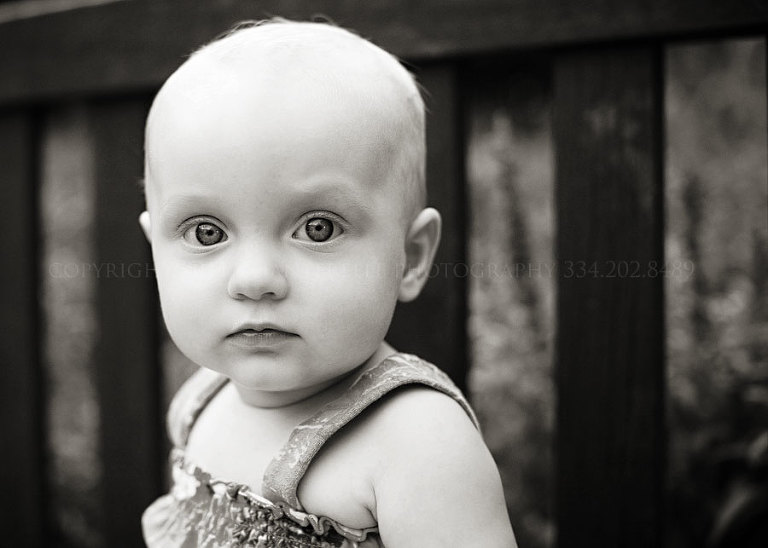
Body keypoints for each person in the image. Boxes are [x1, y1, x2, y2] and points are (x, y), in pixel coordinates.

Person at [139, 19, 516, 547]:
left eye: (317, 228)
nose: (255, 279)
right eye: (206, 232)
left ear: (409, 257)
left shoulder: (416, 443)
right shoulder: (201, 398)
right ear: (155, 249)